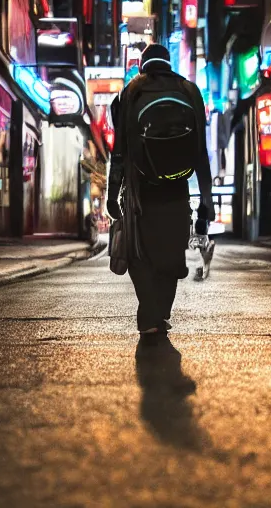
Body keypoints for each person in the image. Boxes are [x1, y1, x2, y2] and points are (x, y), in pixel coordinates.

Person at [107, 44, 214, 336]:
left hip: (139, 191)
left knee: (138, 254)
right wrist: (207, 198)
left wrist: (111, 192)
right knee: (171, 254)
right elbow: (200, 152)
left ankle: (150, 316)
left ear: (143, 65)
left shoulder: (132, 91)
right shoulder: (190, 90)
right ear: (168, 63)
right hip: (177, 187)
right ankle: (160, 312)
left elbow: (120, 149)